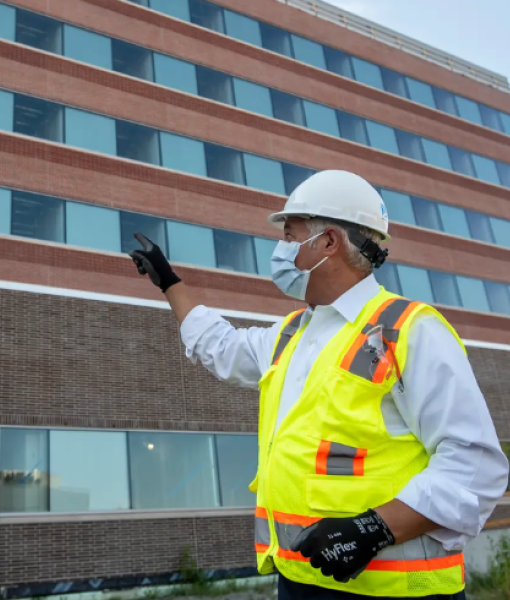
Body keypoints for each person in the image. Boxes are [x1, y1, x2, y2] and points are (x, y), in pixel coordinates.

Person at [129, 170, 509, 599]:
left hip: (394, 590)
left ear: (329, 242)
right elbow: (223, 346)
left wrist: (374, 527)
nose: (280, 250)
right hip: (303, 580)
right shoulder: (294, 332)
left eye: (289, 235)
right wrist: (170, 284)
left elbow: (475, 467)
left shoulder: (408, 330)